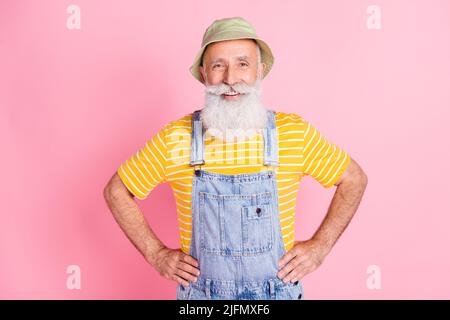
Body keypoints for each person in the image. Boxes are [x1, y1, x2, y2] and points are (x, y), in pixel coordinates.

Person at [103, 17, 368, 300]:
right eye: (219, 66)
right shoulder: (175, 138)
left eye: (243, 64)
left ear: (260, 71)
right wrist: (156, 254)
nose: (230, 79)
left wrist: (320, 246)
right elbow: (116, 191)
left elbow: (354, 178)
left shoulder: (293, 133)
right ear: (204, 74)